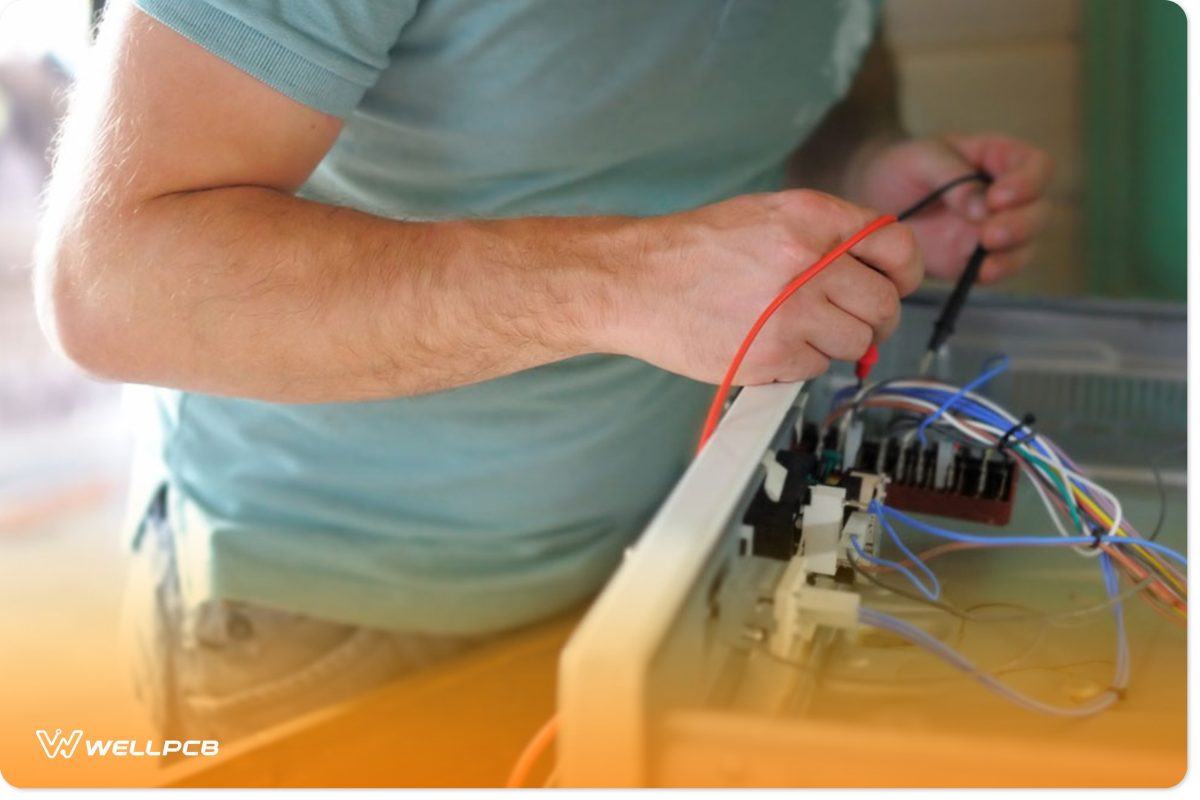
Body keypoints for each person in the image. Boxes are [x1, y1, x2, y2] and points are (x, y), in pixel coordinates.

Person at [35, 0, 1052, 744]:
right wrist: (620, 279)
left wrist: (864, 166)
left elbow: (814, 67)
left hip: (674, 573)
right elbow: (115, 279)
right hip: (333, 622)